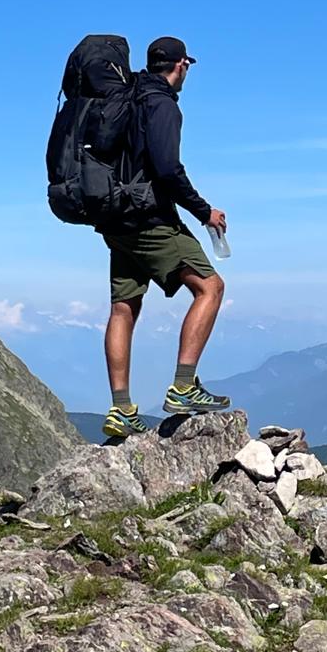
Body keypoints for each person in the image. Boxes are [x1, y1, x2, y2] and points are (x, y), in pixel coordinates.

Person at [99, 36, 230, 440]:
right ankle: (184, 386)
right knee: (210, 287)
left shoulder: (126, 97)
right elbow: (167, 169)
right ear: (181, 65)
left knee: (124, 307)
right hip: (149, 217)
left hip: (113, 217)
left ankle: (121, 410)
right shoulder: (163, 105)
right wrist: (203, 210)